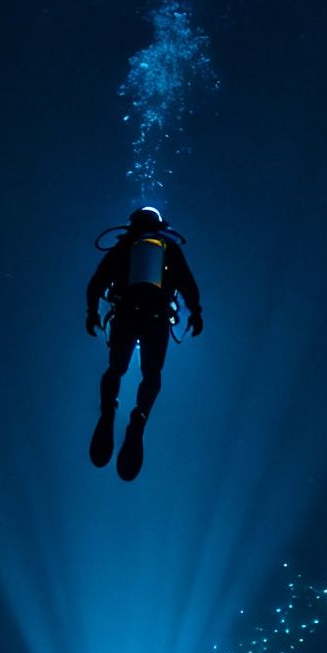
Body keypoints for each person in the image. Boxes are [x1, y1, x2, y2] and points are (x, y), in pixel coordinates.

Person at [85, 206, 202, 481]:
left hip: (125, 316)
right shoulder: (170, 249)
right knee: (151, 376)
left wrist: (92, 313)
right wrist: (196, 313)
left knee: (116, 369)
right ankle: (139, 418)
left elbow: (96, 283)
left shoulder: (124, 246)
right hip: (156, 320)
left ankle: (108, 410)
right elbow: (188, 284)